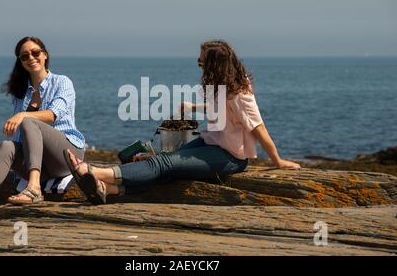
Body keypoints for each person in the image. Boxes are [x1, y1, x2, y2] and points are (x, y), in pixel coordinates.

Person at [63, 40, 300, 205]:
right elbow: (225, 112)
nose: (199, 64)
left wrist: (278, 161)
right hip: (209, 143)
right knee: (163, 164)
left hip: (231, 158)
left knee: (165, 163)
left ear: (215, 65)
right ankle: (111, 190)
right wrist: (193, 107)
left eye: (202, 61)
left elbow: (258, 128)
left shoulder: (240, 93)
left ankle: (95, 172)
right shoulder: (219, 87)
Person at [0, 36, 85, 227]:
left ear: (45, 55)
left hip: (65, 156)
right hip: (40, 163)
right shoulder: (21, 94)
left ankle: (34, 188)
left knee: (28, 122)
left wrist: (23, 116)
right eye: (25, 56)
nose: (31, 58)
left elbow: (52, 115)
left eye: (35, 53)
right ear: (21, 61)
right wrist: (15, 162)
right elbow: (19, 138)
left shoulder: (62, 82)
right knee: (7, 145)